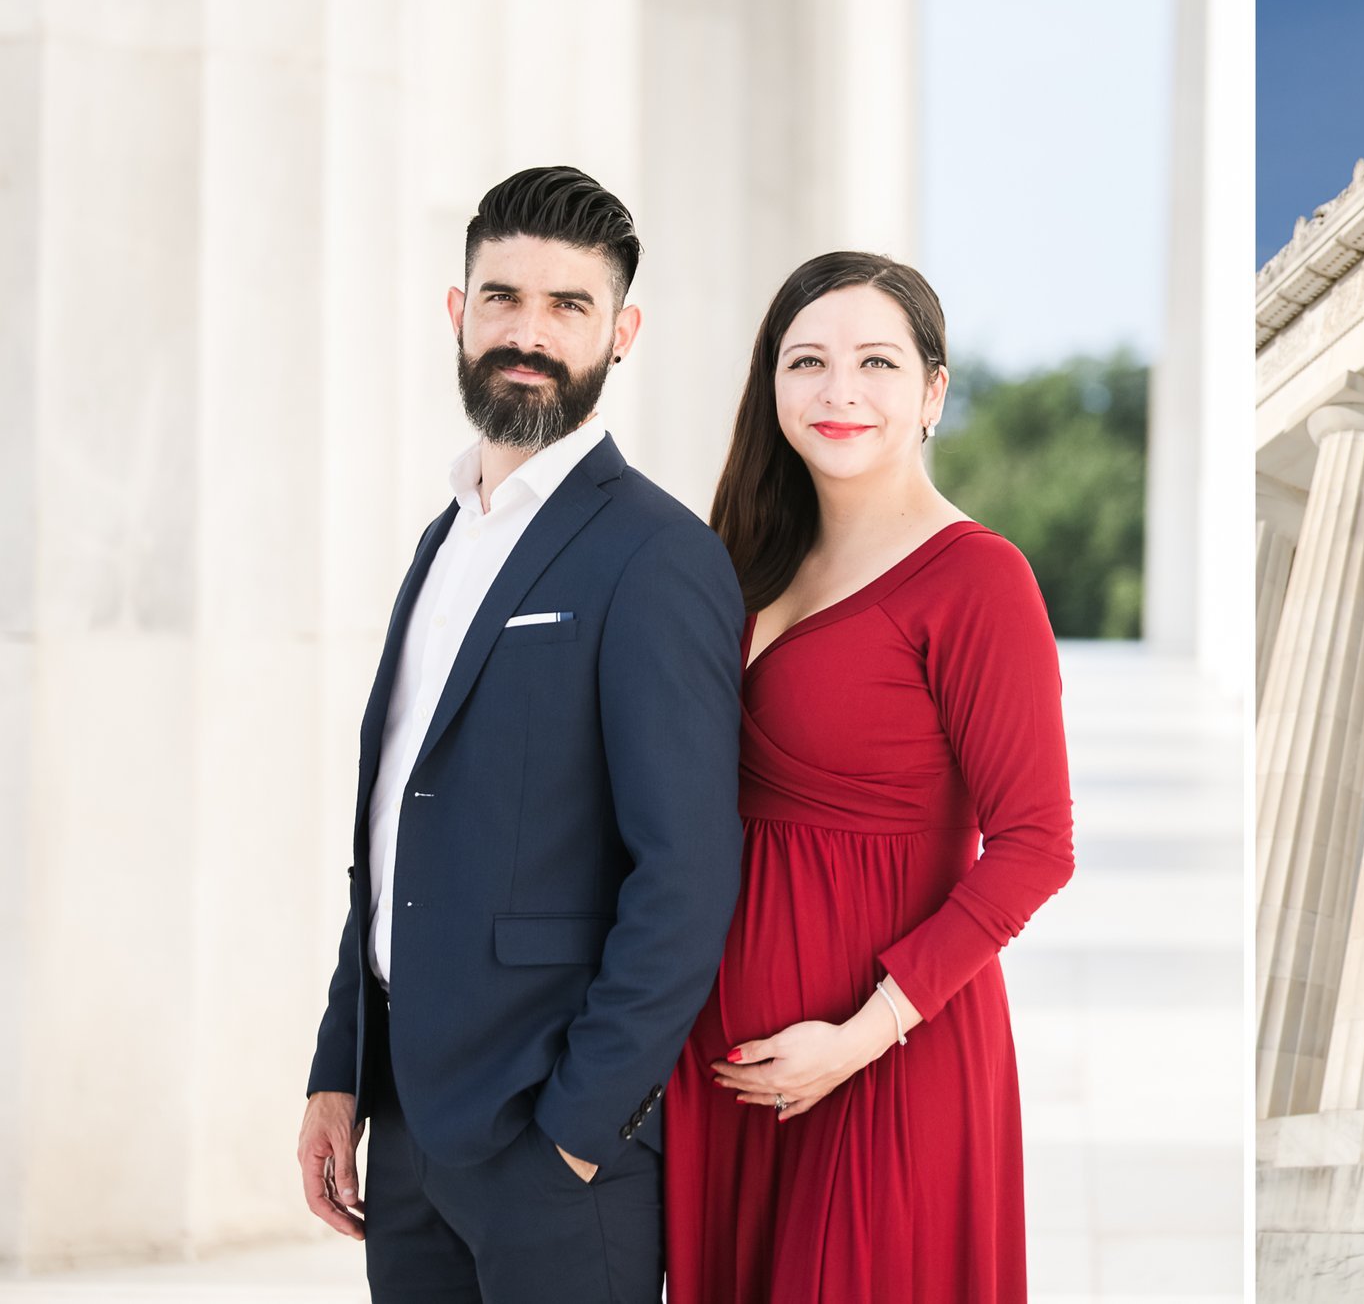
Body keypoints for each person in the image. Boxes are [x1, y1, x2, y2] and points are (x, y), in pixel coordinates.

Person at [294, 168, 747, 1302]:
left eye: (568, 306)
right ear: (457, 311)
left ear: (621, 332)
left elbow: (686, 878)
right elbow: (394, 834)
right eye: (502, 298)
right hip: (403, 1132)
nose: (527, 333)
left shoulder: (658, 558)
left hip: (551, 1151)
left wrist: (581, 1129)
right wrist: (338, 1074)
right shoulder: (439, 545)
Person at [664, 252, 1077, 1302]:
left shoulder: (979, 578)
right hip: (729, 1072)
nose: (838, 391)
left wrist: (858, 1039)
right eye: (807, 362)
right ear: (771, 388)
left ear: (933, 391)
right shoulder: (739, 561)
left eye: (876, 363)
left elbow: (1036, 844)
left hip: (889, 1056)